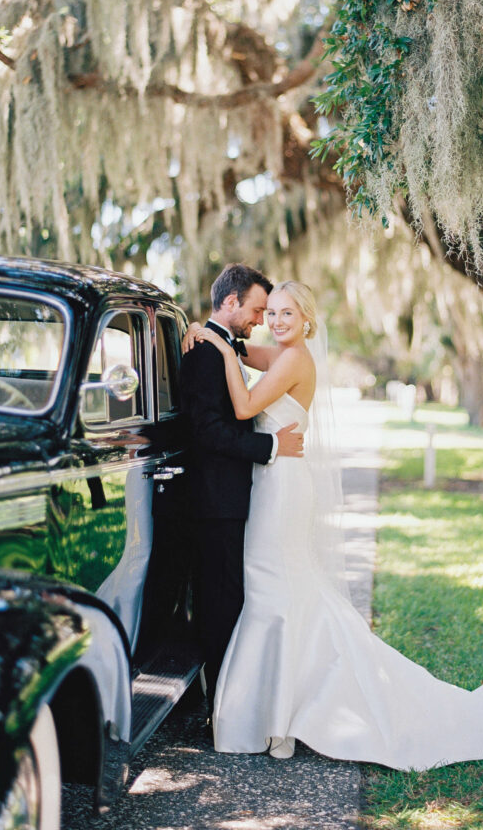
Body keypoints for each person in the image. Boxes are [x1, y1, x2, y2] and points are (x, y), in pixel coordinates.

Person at [186, 279, 483, 769]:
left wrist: (215, 345)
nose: (274, 322)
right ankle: (276, 712)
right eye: (269, 313)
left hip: (283, 484)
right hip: (272, 480)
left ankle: (275, 718)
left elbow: (246, 407)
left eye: (285, 315)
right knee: (276, 589)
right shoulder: (277, 353)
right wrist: (208, 332)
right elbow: (243, 350)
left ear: (307, 320)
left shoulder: (294, 359)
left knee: (274, 589)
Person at [180, 263, 304, 720]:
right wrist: (270, 444)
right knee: (221, 600)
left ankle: (235, 696)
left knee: (232, 596)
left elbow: (243, 359)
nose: (263, 321)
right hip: (215, 500)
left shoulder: (224, 345)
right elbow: (208, 432)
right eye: (258, 310)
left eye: (274, 313)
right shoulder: (206, 353)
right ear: (230, 302)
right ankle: (224, 703)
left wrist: (211, 333)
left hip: (239, 494)